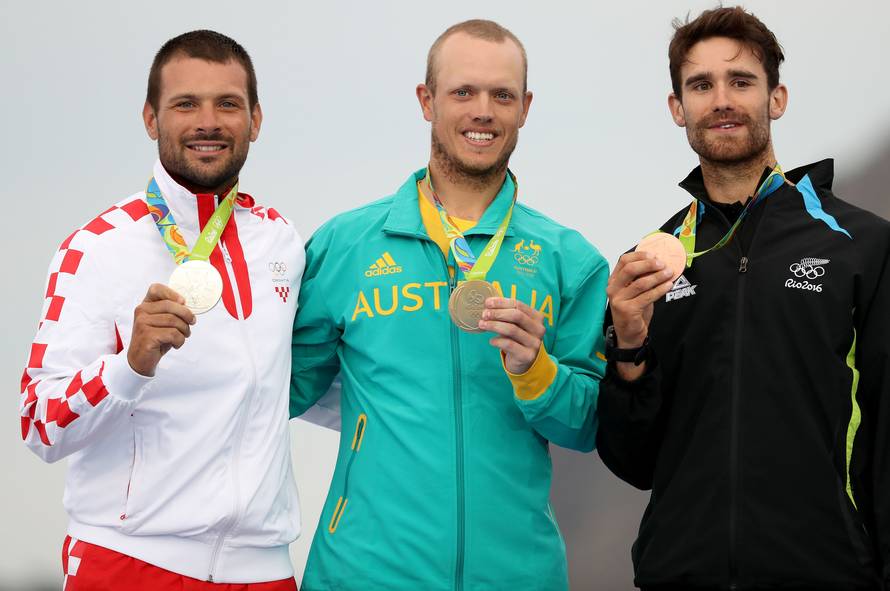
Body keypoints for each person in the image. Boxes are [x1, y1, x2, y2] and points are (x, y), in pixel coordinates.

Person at [290, 19, 608, 591]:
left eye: (501, 95)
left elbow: (588, 426)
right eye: (463, 92)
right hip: (363, 573)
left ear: (525, 107)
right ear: (426, 99)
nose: (482, 110)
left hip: (518, 576)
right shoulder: (345, 245)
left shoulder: (570, 260)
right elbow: (275, 391)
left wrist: (536, 372)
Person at [18, 30, 335, 590]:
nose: (207, 122)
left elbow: (299, 383)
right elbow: (39, 425)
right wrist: (129, 365)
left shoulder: (281, 241)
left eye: (228, 104)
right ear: (150, 118)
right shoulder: (96, 247)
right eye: (185, 103)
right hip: (129, 564)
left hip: (263, 570)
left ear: (255, 120)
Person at [597, 6, 890, 590]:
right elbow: (633, 462)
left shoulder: (862, 245)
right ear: (678, 108)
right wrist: (627, 348)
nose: (721, 100)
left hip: (828, 572)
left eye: (741, 81)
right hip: (681, 572)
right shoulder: (649, 264)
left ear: (776, 98)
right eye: (701, 85)